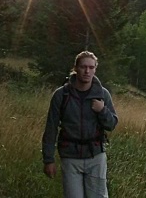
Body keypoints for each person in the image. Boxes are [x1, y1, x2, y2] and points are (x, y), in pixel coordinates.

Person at [42, 51, 119, 198]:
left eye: (91, 67)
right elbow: (51, 128)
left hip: (95, 156)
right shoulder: (61, 95)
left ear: (95, 69)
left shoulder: (102, 94)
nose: (87, 71)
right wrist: (48, 160)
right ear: (75, 68)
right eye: (83, 67)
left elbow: (112, 124)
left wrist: (102, 110)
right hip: (70, 156)